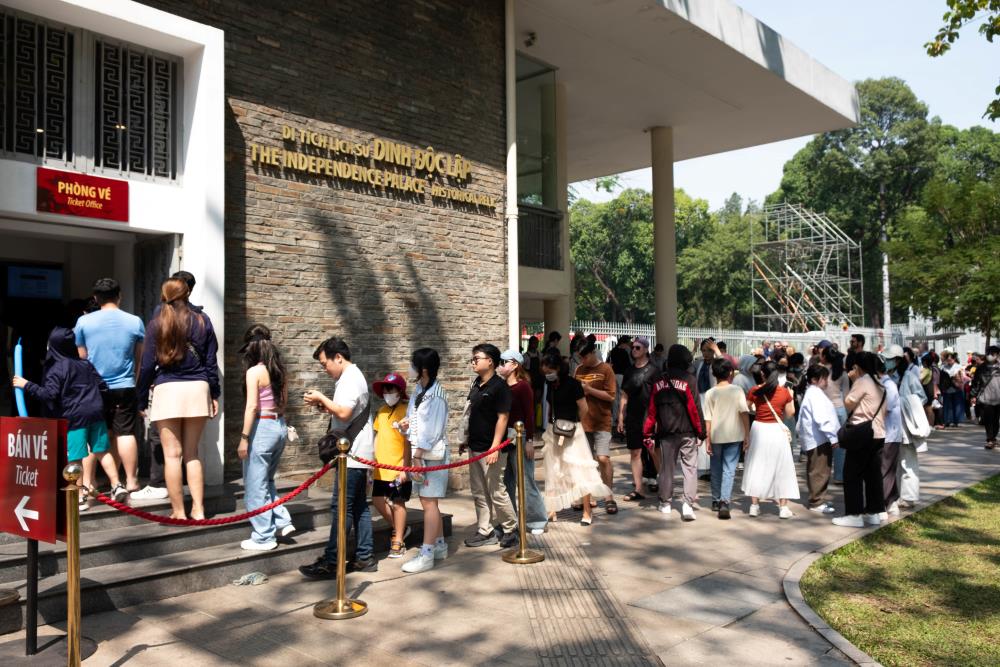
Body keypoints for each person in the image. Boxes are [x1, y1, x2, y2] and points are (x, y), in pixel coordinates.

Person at [13, 327, 129, 507]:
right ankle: (117, 485)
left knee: (75, 457)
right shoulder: (85, 364)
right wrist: (104, 405)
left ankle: (79, 495)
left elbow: (49, 394)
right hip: (96, 414)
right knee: (102, 451)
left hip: (74, 417)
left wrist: (26, 385)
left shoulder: (56, 369)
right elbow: (103, 386)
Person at [136, 278, 220, 521]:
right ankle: (199, 509)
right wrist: (214, 393)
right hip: (198, 388)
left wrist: (140, 398)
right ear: (187, 293)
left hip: (168, 388)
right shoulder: (203, 321)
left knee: (172, 455)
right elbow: (211, 362)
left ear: (165, 296)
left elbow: (147, 365)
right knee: (192, 453)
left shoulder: (157, 323)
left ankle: (179, 512)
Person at [299, 336, 376, 579]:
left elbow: (343, 412)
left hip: (351, 454)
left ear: (338, 358)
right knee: (359, 506)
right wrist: (326, 406)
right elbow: (345, 413)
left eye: (325, 364)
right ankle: (365, 556)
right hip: (358, 452)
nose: (325, 369)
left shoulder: (350, 378)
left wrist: (321, 398)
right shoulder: (352, 376)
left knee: (342, 506)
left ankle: (333, 561)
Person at [74, 278, 146, 499]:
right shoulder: (135, 321)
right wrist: (134, 379)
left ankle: (89, 482)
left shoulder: (83, 322)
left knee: (92, 435)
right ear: (119, 296)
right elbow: (139, 357)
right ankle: (131, 481)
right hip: (125, 385)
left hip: (94, 388)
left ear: (96, 298)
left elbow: (82, 357)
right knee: (125, 433)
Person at [237, 324, 294, 551]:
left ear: (250, 348)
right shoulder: (280, 370)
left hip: (261, 427)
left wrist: (244, 437)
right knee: (267, 481)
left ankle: (264, 537)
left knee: (255, 486)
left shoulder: (254, 372)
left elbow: (252, 406)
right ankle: (282, 520)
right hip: (279, 426)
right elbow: (283, 404)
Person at [539, 352, 611, 526]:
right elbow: (550, 407)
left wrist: (574, 423)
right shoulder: (550, 384)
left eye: (549, 371)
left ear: (558, 368)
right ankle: (552, 509)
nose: (547, 374)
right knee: (553, 470)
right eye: (545, 372)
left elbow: (583, 408)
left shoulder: (573, 384)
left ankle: (587, 511)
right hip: (554, 431)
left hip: (573, 431)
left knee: (580, 471)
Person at [462, 343, 518, 548]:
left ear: (490, 361)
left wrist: (495, 448)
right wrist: (465, 440)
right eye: (473, 359)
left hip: (491, 449)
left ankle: (511, 529)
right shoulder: (476, 384)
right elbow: (471, 414)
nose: (473, 362)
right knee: (479, 492)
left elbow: (503, 418)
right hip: (474, 447)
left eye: (477, 358)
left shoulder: (499, 387)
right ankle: (485, 530)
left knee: (496, 491)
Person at [399, 348, 450, 574]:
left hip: (429, 455)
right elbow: (416, 420)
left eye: (413, 364)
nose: (410, 368)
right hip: (420, 454)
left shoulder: (436, 394)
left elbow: (434, 431)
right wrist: (405, 424)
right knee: (428, 501)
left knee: (429, 502)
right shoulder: (420, 389)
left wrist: (417, 455)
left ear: (424, 369)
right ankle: (439, 544)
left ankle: (427, 553)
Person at [643, 344, 704, 521]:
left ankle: (665, 503)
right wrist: (701, 432)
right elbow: (695, 409)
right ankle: (687, 504)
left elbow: (651, 410)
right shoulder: (689, 380)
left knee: (666, 468)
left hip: (666, 433)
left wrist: (647, 433)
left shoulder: (658, 381)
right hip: (687, 432)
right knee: (690, 468)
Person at [833, 352, 887, 528]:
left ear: (858, 366)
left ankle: (854, 514)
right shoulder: (879, 382)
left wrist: (853, 380)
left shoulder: (863, 381)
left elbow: (848, 403)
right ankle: (873, 512)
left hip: (862, 432)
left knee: (852, 474)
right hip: (878, 433)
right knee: (873, 475)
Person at [499, 349, 547, 535]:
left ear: (514, 365)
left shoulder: (523, 387)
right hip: (505, 438)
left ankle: (536, 521)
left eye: (504, 362)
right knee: (507, 482)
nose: (501, 366)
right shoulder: (502, 386)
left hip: (520, 435)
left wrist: (529, 440)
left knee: (526, 481)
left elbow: (529, 414)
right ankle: (511, 521)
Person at [743, 360, 799, 518]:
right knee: (782, 467)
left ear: (762, 374)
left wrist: (756, 408)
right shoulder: (784, 392)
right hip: (776, 430)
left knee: (756, 465)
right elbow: (790, 414)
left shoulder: (755, 390)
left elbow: (746, 407)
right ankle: (783, 508)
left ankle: (754, 506)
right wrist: (791, 397)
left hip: (759, 428)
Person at [574, 341, 618, 515]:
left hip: (602, 422)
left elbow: (611, 396)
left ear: (593, 352)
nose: (582, 360)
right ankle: (587, 497)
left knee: (603, 458)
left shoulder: (606, 369)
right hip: (583, 423)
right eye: (580, 357)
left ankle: (609, 496)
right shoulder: (578, 370)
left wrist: (589, 390)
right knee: (585, 462)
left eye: (585, 357)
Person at [703, 358, 750, 519]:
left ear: (714, 373)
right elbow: (744, 413)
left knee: (715, 469)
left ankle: (716, 500)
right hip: (734, 435)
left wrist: (707, 439)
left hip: (716, 436)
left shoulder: (710, 393)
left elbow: (708, 419)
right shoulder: (737, 391)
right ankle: (724, 501)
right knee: (729, 470)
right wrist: (747, 433)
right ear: (730, 372)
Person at [370, 372, 411, 559]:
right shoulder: (381, 411)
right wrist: (372, 460)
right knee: (378, 500)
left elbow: (408, 442)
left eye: (391, 390)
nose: (388, 394)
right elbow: (377, 436)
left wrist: (405, 467)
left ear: (400, 392)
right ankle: (399, 528)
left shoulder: (407, 411)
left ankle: (398, 540)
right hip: (380, 467)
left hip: (398, 467)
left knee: (397, 502)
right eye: (385, 390)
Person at [618, 336, 661, 500]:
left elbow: (660, 396)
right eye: (633, 347)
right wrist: (620, 416)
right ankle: (638, 489)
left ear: (645, 349)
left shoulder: (654, 370)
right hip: (633, 416)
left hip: (649, 416)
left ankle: (664, 483)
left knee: (653, 450)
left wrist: (658, 419)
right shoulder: (629, 371)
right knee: (635, 452)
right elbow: (624, 395)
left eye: (637, 347)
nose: (634, 350)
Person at [796, 364, 839, 514]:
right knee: (819, 471)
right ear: (815, 380)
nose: (827, 381)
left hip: (818, 438)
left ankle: (818, 499)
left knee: (819, 470)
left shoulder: (814, 393)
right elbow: (822, 419)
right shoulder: (815, 395)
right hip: (819, 439)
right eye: (824, 378)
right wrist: (833, 438)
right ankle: (816, 502)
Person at [893, 346, 929, 506]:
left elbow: (921, 397)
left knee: (908, 462)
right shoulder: (885, 377)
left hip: (906, 426)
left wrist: (904, 403)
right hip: (891, 427)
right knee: (894, 463)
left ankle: (908, 497)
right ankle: (896, 495)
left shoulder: (908, 376)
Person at [876, 354, 902, 520]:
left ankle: (882, 505)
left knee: (885, 470)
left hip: (889, 434)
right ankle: (892, 502)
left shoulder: (888, 385)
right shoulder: (884, 384)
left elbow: (887, 408)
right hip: (888, 433)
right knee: (889, 469)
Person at [820, 345, 850, 484]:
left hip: (824, 409)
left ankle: (822, 475)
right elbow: (847, 396)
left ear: (825, 357)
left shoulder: (821, 372)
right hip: (840, 410)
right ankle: (839, 476)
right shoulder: (843, 374)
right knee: (839, 445)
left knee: (822, 443)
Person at [970, 346, 1000, 450]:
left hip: (998, 397)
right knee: (988, 419)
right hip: (986, 397)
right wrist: (973, 395)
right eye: (988, 353)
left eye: (992, 353)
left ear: (997, 355)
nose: (990, 356)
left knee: (996, 420)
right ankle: (990, 439)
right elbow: (975, 383)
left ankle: (993, 438)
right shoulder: (981, 368)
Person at [607, 335, 632, 439]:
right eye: (628, 342)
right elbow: (629, 365)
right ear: (624, 343)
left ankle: (614, 420)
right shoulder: (625, 352)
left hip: (613, 376)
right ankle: (620, 420)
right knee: (622, 398)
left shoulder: (613, 351)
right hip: (622, 376)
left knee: (615, 398)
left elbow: (608, 362)